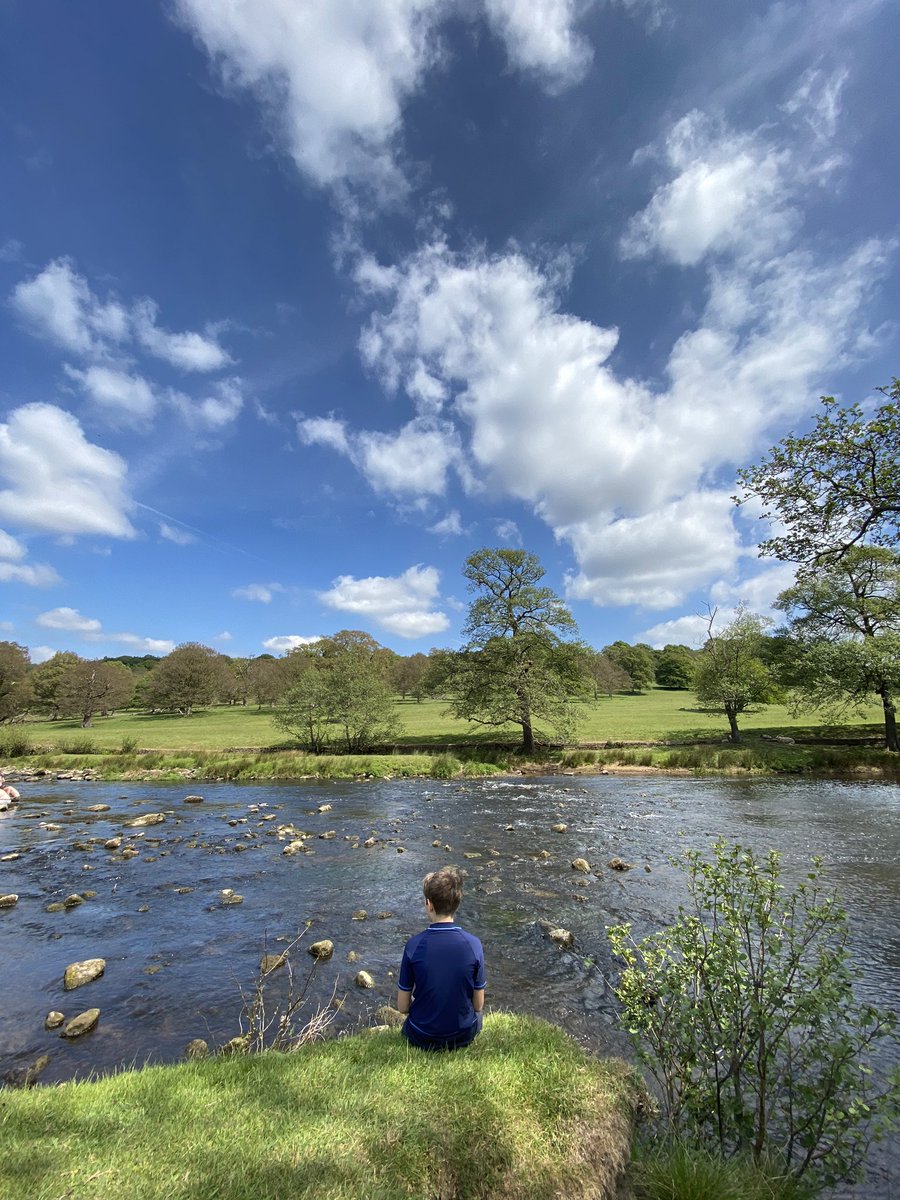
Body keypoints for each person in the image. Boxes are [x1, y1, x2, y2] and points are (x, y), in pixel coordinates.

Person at [396, 866, 486, 1051]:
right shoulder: (473, 944)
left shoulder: (414, 945)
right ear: (457, 904)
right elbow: (478, 1005)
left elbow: (403, 1007)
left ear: (429, 903)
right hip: (462, 1035)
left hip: (421, 1035)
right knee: (479, 1016)